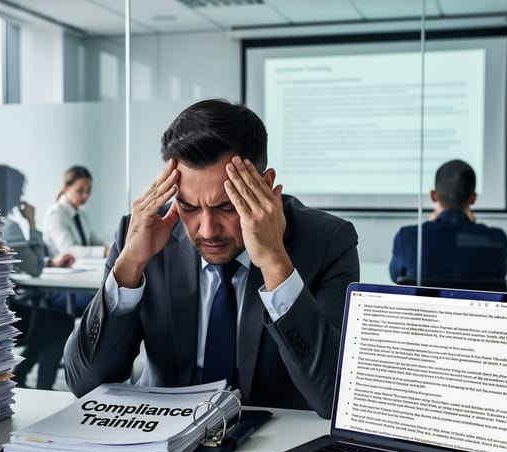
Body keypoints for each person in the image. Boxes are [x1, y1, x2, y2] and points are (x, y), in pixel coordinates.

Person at [64, 99, 360, 418]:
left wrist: (277, 264)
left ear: (265, 186)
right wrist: (129, 267)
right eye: (188, 208)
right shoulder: (143, 233)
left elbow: (336, 398)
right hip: (163, 441)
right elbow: (83, 382)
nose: (207, 230)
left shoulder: (328, 242)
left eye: (226, 207)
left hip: (274, 446)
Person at [0, 164, 80, 389]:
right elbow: (34, 268)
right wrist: (31, 222)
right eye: (19, 192)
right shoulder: (7, 226)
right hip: (6, 318)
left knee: (48, 321)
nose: (21, 197)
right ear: (10, 194)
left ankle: (20, 374)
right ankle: (45, 389)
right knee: (61, 321)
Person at [389, 159, 507, 283]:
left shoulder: (408, 237)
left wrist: (427, 226)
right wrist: (473, 226)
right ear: (473, 198)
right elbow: (499, 275)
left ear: (433, 195)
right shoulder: (496, 239)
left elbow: (395, 276)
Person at [42, 165, 106, 258]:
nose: (85, 196)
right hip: (63, 270)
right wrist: (104, 252)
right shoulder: (55, 213)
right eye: (80, 191)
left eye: (88, 191)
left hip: (82, 267)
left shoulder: (82, 215)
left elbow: (95, 242)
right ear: (66, 187)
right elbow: (68, 250)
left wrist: (115, 248)